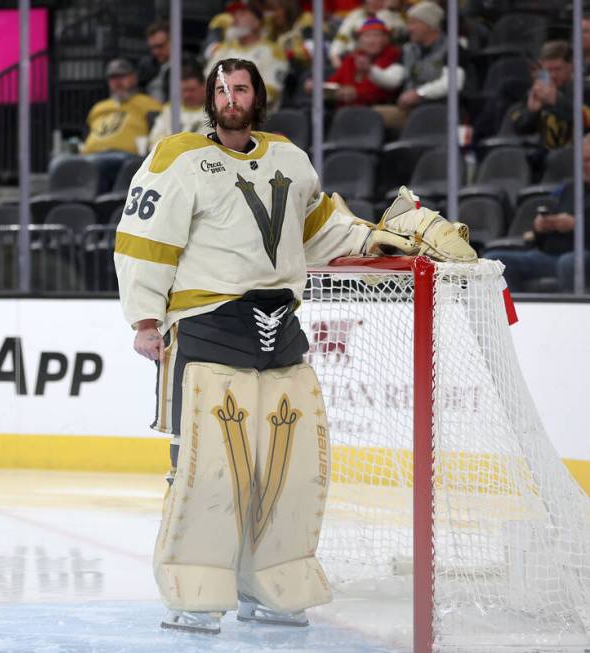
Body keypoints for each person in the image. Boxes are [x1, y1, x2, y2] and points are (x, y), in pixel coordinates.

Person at [113, 57, 473, 635]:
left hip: (281, 330)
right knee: (210, 470)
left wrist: (381, 240)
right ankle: (196, 594)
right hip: (208, 328)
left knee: (289, 469)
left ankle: (274, 586)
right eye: (222, 88)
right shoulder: (176, 158)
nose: (232, 96)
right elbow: (142, 240)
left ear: (259, 94)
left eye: (242, 87)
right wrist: (145, 320)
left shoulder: (288, 157)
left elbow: (320, 229)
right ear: (211, 99)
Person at [484, 134, 590, 293]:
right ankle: (512, 314)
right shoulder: (570, 189)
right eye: (583, 160)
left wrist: (577, 225)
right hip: (551, 256)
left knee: (568, 263)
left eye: (589, 160)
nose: (585, 165)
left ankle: (570, 315)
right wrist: (541, 228)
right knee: (495, 260)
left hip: (582, 257)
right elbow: (540, 240)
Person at [374, 1, 465, 130]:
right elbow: (393, 79)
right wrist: (370, 70)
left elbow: (454, 82)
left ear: (430, 25)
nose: (408, 28)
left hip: (442, 111)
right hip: (410, 111)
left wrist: (420, 94)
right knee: (370, 116)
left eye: (414, 23)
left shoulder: (452, 48)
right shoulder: (408, 49)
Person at [81, 59, 163, 191]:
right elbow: (86, 137)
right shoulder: (98, 108)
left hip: (128, 158)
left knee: (96, 165)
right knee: (60, 164)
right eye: (113, 78)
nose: (117, 82)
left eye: (122, 76)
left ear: (134, 78)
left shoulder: (149, 104)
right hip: (90, 156)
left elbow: (159, 134)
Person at [204, 1, 289, 113]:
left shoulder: (272, 52)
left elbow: (270, 93)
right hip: (216, 113)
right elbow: (206, 83)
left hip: (256, 118)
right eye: (234, 14)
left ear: (257, 22)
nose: (235, 18)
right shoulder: (222, 49)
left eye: (243, 13)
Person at [511, 41, 588, 151]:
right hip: (546, 158)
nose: (552, 75)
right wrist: (532, 112)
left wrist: (557, 101)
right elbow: (520, 129)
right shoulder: (538, 91)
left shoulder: (585, 90)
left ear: (572, 66)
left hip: (579, 157)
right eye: (548, 70)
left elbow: (586, 120)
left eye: (557, 69)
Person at [322, 18, 402, 106]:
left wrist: (355, 92)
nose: (371, 41)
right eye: (367, 36)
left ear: (385, 39)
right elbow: (334, 82)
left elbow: (387, 85)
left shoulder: (394, 57)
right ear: (360, 40)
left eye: (376, 36)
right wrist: (320, 87)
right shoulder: (351, 58)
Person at [329, 0, 405, 69]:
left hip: (382, 60)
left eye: (380, 0)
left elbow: (392, 37)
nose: (375, 2)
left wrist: (384, 12)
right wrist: (335, 55)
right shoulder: (356, 15)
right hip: (351, 56)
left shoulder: (394, 17)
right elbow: (342, 37)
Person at [147, 65, 208, 149]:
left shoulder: (215, 111)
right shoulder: (170, 109)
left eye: (192, 90)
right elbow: (155, 138)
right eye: (183, 90)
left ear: (204, 87)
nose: (187, 95)